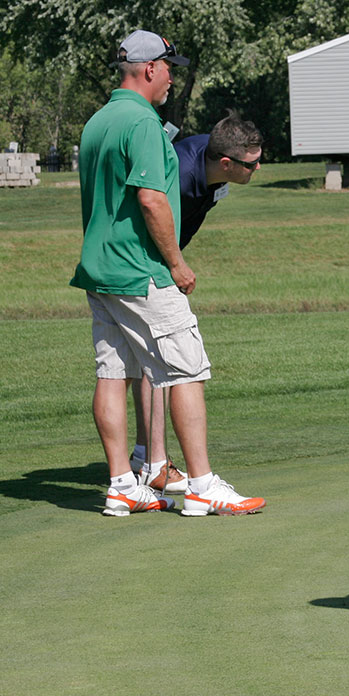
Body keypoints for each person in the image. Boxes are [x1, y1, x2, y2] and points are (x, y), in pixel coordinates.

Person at [71, 30, 264, 517]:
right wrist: (176, 263)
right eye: (169, 69)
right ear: (150, 68)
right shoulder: (143, 123)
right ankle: (201, 486)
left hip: (101, 269)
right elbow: (151, 199)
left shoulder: (97, 121)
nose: (172, 79)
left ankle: (122, 484)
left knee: (113, 372)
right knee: (186, 370)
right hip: (142, 270)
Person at [129, 112, 264, 494]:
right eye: (251, 164)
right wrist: (174, 266)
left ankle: (145, 458)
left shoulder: (215, 163)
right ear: (227, 163)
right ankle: (159, 465)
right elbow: (150, 214)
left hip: (160, 260)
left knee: (147, 362)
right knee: (167, 362)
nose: (258, 168)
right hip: (145, 264)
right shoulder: (184, 176)